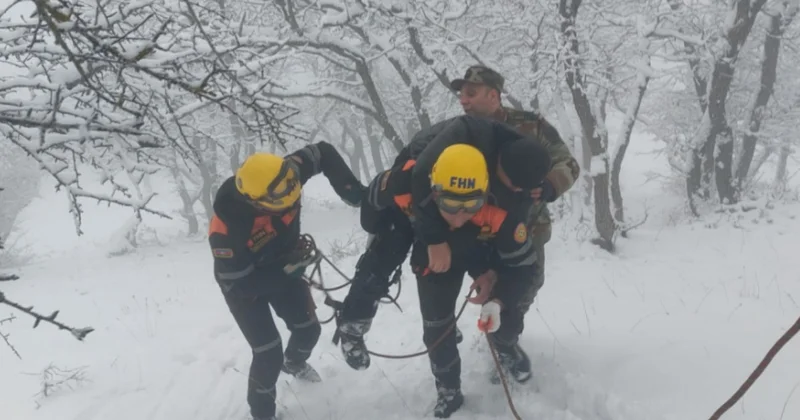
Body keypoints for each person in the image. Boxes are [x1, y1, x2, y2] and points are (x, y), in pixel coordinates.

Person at [336, 116, 552, 373]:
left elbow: (514, 246)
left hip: (472, 216)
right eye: (514, 185)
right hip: (420, 196)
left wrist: (494, 275)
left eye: (522, 189)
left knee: (498, 281)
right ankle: (353, 325)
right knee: (387, 251)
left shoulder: (521, 186)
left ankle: (503, 342)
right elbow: (413, 179)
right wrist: (433, 240)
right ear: (499, 163)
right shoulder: (469, 133)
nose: (516, 190)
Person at [208, 141, 365, 420]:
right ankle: (262, 415)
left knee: (308, 330)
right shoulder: (226, 227)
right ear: (255, 201)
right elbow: (238, 284)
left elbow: (324, 152)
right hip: (246, 287)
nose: (293, 197)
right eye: (282, 199)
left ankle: (293, 364)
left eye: (294, 189)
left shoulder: (284, 175)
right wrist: (286, 271)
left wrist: (353, 193)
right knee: (268, 351)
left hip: (285, 265)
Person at [409, 144, 548, 418]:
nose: (460, 216)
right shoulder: (413, 195)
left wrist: (498, 299)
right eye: (450, 204)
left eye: (471, 205)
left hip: (486, 255)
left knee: (505, 318)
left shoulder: (506, 210)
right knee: (436, 328)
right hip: (437, 255)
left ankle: (506, 346)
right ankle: (448, 390)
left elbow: (523, 268)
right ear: (434, 192)